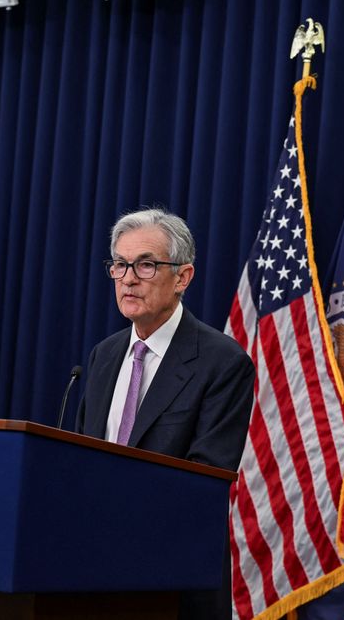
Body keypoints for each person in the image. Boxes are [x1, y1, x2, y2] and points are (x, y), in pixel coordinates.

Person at [76, 208, 254, 619]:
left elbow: (203, 479)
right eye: (120, 265)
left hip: (171, 579)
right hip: (90, 570)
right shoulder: (103, 356)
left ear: (183, 277)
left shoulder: (222, 363)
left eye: (146, 264)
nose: (129, 278)